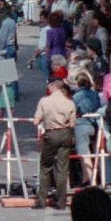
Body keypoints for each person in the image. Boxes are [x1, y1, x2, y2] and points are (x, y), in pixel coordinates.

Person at [32, 78, 76, 208]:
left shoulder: (44, 101)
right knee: (62, 169)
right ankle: (61, 201)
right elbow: (72, 123)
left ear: (52, 87)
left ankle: (41, 200)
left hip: (51, 134)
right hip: (66, 133)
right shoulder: (69, 102)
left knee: (45, 167)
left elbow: (36, 121)